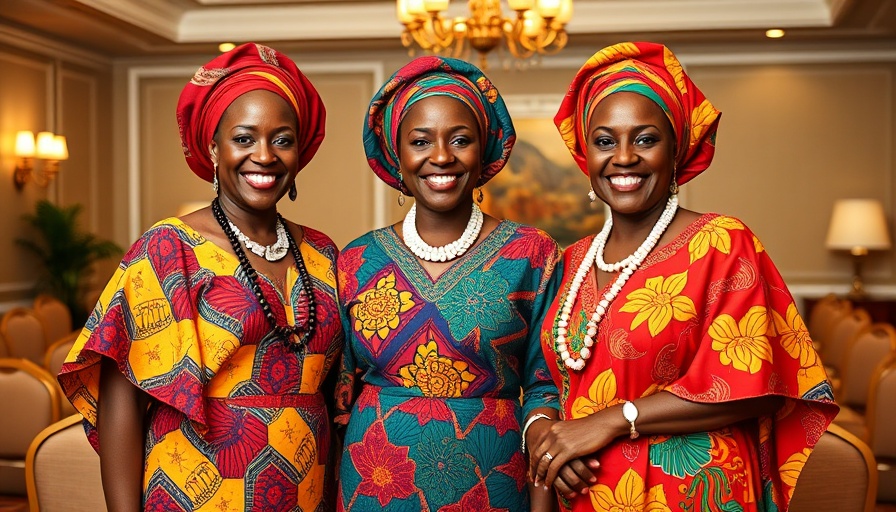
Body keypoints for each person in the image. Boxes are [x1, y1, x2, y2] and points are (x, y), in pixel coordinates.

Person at [528, 41, 839, 511]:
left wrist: (611, 420)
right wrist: (550, 441)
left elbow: (754, 382)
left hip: (691, 490)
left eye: (646, 139)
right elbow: (551, 382)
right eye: (606, 141)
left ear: (676, 149)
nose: (624, 157)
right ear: (585, 154)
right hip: (585, 495)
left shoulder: (722, 243)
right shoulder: (571, 261)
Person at [57, 43, 343, 511]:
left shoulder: (322, 252)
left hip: (306, 486)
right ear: (213, 147)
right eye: (244, 138)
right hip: (199, 487)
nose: (264, 155)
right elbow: (121, 399)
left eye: (282, 139)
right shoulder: (168, 249)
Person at [334, 56, 562, 511]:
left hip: (492, 482)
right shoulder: (357, 259)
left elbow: (546, 387)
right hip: (374, 483)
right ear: (397, 156)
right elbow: (338, 395)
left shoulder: (531, 253)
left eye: (460, 140)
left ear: (485, 150)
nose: (441, 156)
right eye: (421, 141)